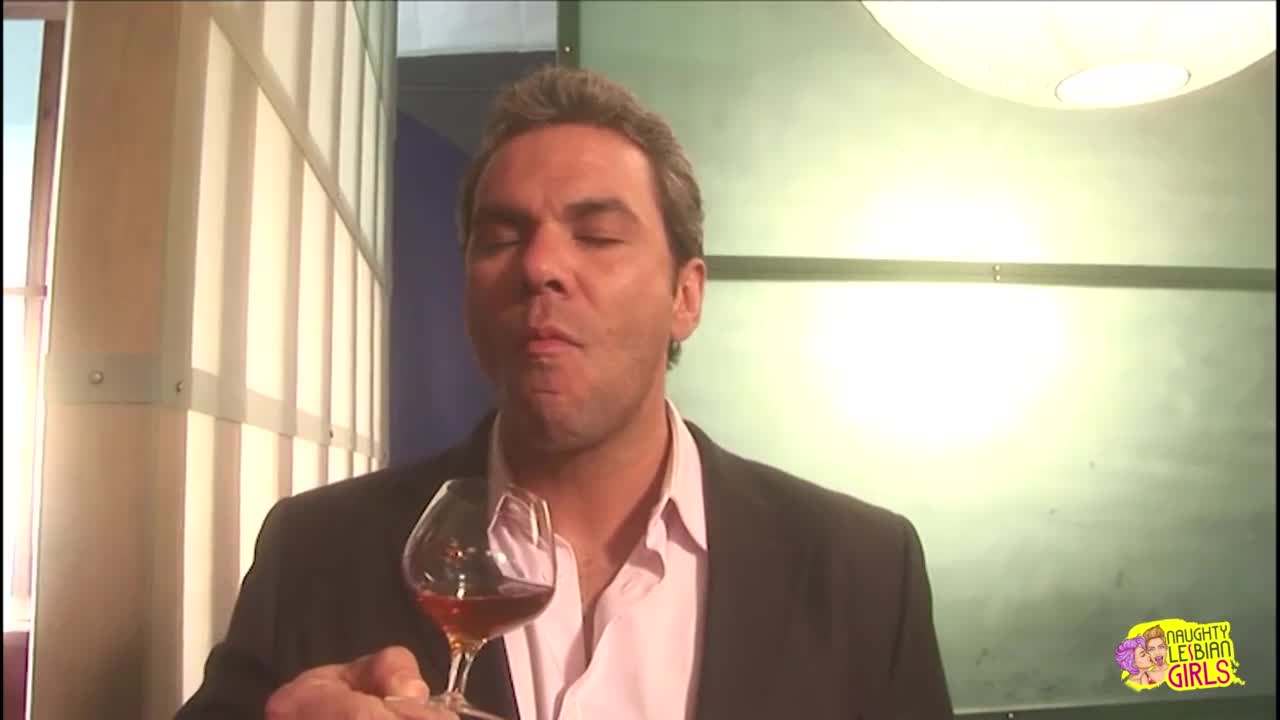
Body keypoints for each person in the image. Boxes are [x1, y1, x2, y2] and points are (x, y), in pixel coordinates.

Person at [176, 65, 953, 720]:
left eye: (597, 235)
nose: (539, 266)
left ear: (685, 296)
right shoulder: (317, 550)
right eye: (501, 237)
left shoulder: (861, 572)